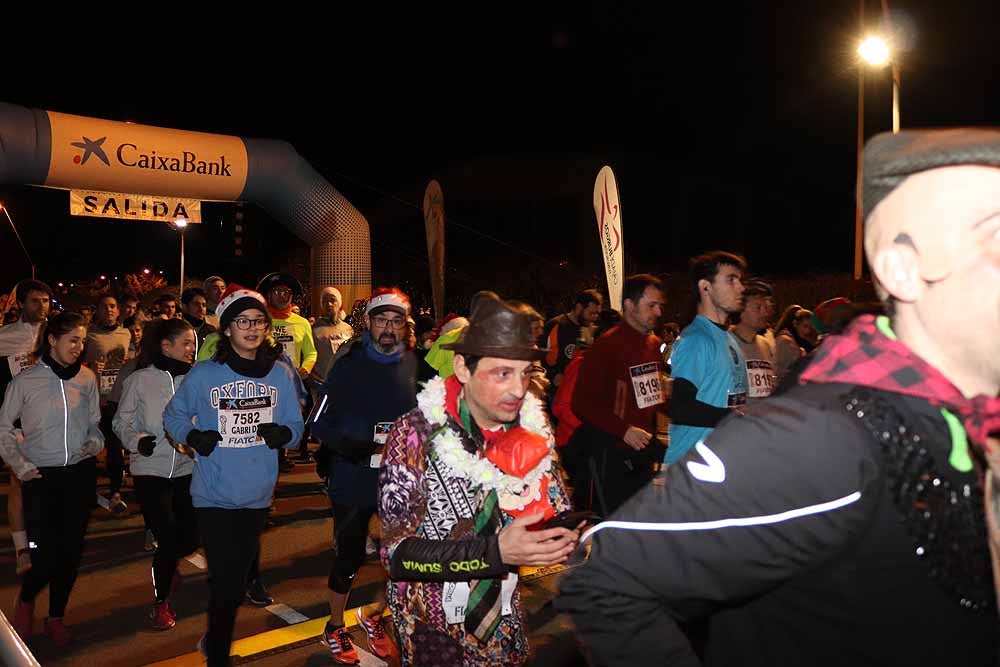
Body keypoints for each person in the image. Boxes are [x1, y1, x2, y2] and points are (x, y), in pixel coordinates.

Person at [556, 128, 1000, 665]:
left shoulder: (731, 344)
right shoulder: (818, 433)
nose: (741, 290)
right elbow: (606, 573)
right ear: (901, 268)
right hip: (680, 463)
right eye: (993, 237)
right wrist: (692, 425)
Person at [379, 297, 578, 666]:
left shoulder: (532, 428)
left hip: (504, 623)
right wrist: (495, 552)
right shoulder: (414, 434)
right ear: (463, 368)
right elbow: (396, 557)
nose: (519, 389)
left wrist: (570, 534)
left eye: (525, 372)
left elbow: (555, 509)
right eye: (503, 373)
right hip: (433, 631)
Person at [164, 284, 304, 666]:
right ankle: (219, 655)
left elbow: (296, 425)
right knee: (224, 583)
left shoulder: (279, 375)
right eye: (242, 321)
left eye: (259, 321)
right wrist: (193, 436)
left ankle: (215, 636)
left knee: (235, 581)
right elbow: (172, 416)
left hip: (258, 494)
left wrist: (285, 434)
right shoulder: (204, 375)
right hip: (213, 494)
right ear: (226, 329)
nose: (252, 327)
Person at [312, 287, 417, 663]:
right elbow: (317, 423)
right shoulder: (348, 365)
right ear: (369, 323)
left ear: (405, 325)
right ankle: (335, 626)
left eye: (396, 320)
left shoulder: (415, 364)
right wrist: (355, 447)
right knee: (351, 557)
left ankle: (374, 616)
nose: (388, 328)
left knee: (404, 558)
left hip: (400, 481)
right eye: (381, 320)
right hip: (353, 479)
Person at [0, 312, 103, 646]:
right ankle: (28, 598)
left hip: (79, 475)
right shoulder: (25, 382)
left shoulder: (87, 378)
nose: (79, 346)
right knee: (44, 557)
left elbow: (94, 425)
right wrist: (21, 465)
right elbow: (3, 428)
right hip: (41, 478)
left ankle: (56, 616)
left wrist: (94, 443)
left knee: (70, 555)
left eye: (82, 340)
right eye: (73, 339)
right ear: (52, 340)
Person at [113, 318, 198, 630]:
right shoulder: (139, 380)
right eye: (186, 343)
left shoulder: (197, 378)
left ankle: (171, 559)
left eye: (194, 343)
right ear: (166, 346)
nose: (192, 348)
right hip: (150, 470)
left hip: (189, 468)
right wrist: (136, 441)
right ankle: (161, 603)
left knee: (190, 536)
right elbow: (121, 421)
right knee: (165, 536)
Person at [570, 275, 666, 513]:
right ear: (629, 306)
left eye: (660, 306)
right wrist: (623, 430)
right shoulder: (606, 346)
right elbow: (580, 403)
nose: (658, 312)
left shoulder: (653, 344)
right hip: (610, 454)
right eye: (651, 305)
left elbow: (651, 397)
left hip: (642, 453)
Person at [666, 251, 748, 465]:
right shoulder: (696, 339)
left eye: (740, 280)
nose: (741, 287)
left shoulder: (728, 338)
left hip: (719, 465)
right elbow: (680, 407)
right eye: (731, 280)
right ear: (705, 287)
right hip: (693, 469)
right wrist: (733, 418)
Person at [0, 280, 52, 576]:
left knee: (49, 482)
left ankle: (45, 539)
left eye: (45, 300)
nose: (41, 306)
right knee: (18, 482)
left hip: (53, 420)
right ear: (20, 303)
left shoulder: (56, 332)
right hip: (20, 422)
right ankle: (22, 548)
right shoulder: (6, 337)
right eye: (35, 301)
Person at [84, 295, 132, 513]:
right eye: (104, 306)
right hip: (92, 399)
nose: (109, 310)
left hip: (115, 399)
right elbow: (75, 360)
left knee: (114, 447)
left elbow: (132, 360)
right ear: (98, 310)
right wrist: (90, 367)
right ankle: (86, 491)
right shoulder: (88, 334)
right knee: (89, 448)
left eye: (113, 306)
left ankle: (115, 492)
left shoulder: (126, 333)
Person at [542, 289, 602, 390]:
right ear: (579, 307)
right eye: (591, 313)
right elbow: (542, 355)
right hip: (557, 390)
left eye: (597, 314)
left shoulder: (591, 329)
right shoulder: (557, 325)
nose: (594, 318)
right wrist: (553, 375)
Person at [730, 278, 778, 402]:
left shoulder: (765, 344)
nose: (765, 313)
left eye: (766, 307)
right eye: (758, 307)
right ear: (740, 310)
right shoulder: (724, 343)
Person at [181, 287, 217, 351]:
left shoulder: (211, 331)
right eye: (196, 304)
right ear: (184, 306)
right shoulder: (176, 329)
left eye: (204, 305)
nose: (201, 309)